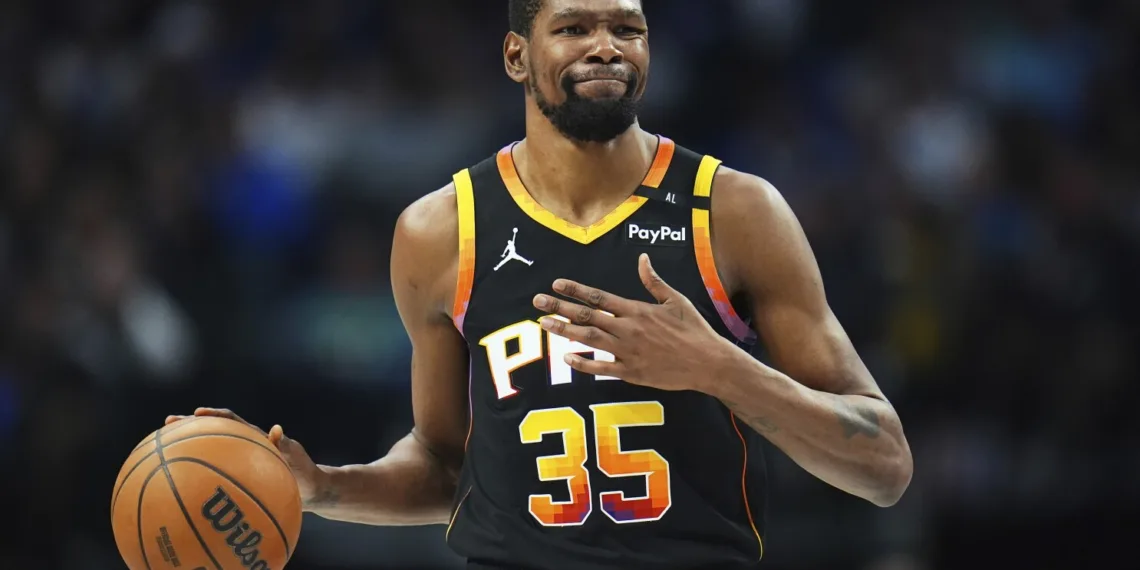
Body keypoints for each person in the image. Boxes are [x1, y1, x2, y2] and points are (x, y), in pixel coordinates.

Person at [168, 0, 913, 568]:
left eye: (628, 29)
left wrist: (719, 368)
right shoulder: (438, 232)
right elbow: (444, 467)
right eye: (575, 28)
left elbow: (884, 466)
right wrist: (323, 487)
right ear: (517, 56)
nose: (606, 47)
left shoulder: (734, 212)